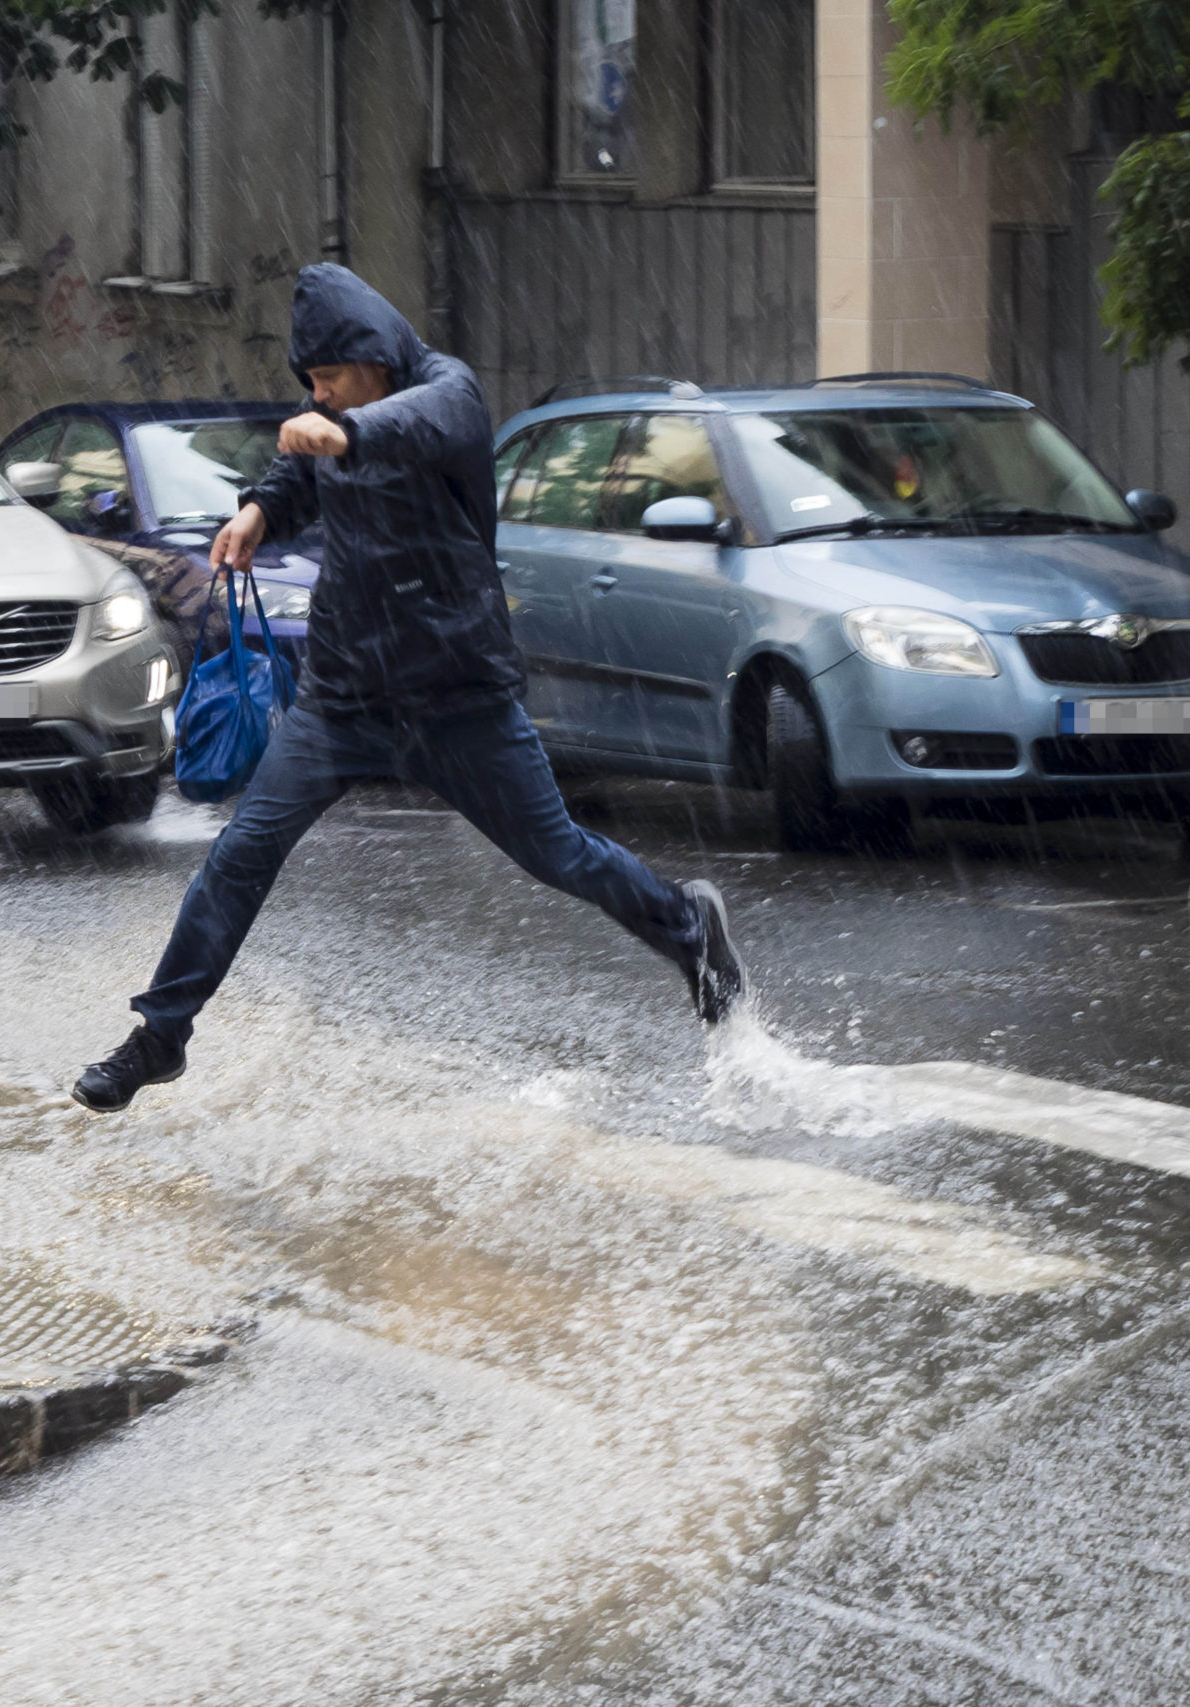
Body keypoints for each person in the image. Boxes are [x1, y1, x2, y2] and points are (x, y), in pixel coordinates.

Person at [72, 264, 745, 1113]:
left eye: (329, 381)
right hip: (342, 697)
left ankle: (691, 928)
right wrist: (258, 511)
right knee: (240, 854)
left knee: (559, 854)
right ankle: (159, 1037)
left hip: (457, 698)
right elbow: (298, 475)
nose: (319, 398)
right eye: (309, 386)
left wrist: (344, 436)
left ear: (374, 357)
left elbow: (417, 422)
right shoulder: (336, 419)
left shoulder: (445, 392)